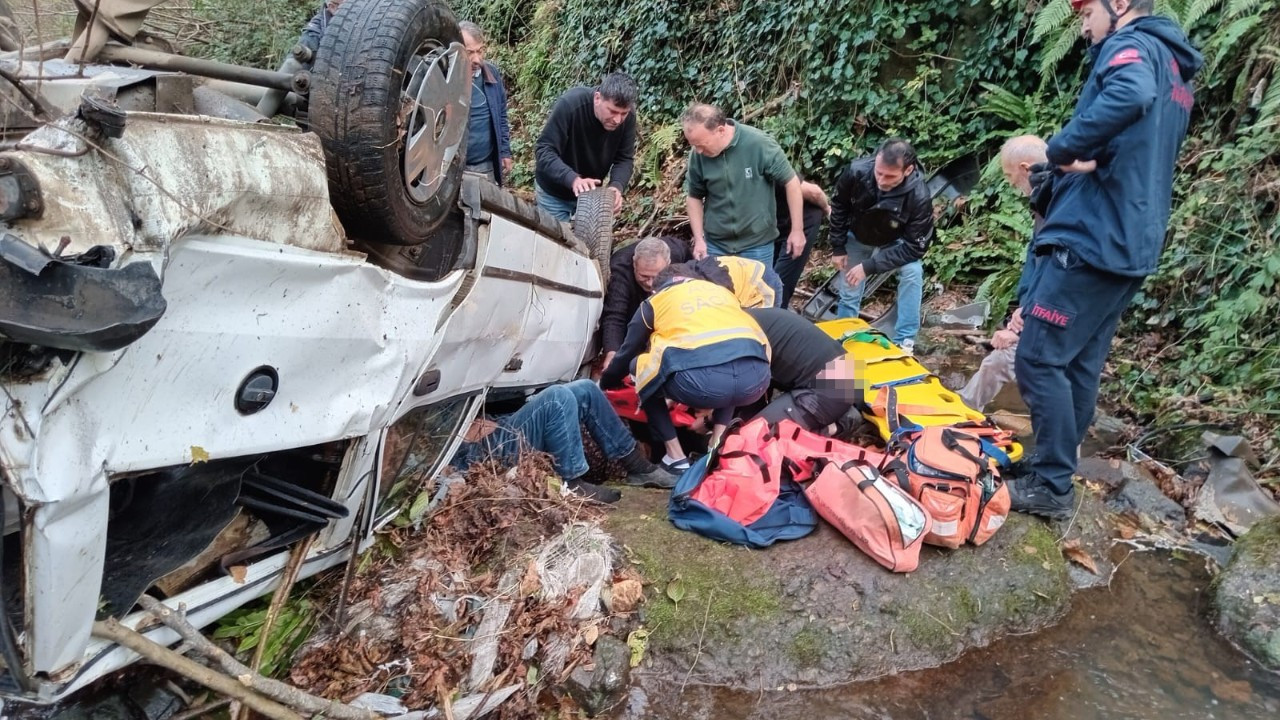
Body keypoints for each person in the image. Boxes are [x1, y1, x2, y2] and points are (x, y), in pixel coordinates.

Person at [1009, 0, 1201, 519]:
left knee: (1038, 357)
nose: (1082, 22)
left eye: (1085, 9)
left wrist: (1063, 149)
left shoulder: (1131, 46)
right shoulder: (1175, 68)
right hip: (1133, 240)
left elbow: (1129, 94)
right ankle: (1054, 465)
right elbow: (1139, 143)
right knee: (1078, 362)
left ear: (1119, 4)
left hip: (1095, 236)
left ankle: (1051, 486)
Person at [600, 272, 771, 472]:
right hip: (757, 379)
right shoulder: (721, 293)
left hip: (703, 383)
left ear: (657, 290)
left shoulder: (656, 301)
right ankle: (715, 448)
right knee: (732, 361)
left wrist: (605, 384)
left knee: (639, 365)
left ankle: (676, 456)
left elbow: (627, 352)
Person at [451, 380, 677, 504]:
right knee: (557, 398)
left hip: (493, 423)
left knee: (587, 389)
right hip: (479, 449)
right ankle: (571, 483)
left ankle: (638, 467)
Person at [957, 135, 1050, 411]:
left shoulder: (1056, 204)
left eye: (1011, 177)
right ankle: (965, 406)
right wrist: (1023, 311)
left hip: (1051, 319)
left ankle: (1058, 451)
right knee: (998, 362)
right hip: (1039, 311)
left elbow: (1058, 274)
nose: (1011, 185)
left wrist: (1025, 324)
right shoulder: (1052, 199)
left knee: (1052, 384)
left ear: (1025, 168)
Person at [828, 138, 935, 353]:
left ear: (908, 170)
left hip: (894, 242)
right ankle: (844, 336)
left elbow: (915, 247)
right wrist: (838, 246)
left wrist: (868, 267)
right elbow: (839, 205)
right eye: (879, 173)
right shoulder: (857, 171)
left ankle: (905, 340)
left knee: (913, 272)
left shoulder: (919, 196)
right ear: (875, 161)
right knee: (849, 288)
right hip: (857, 234)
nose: (882, 180)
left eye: (890, 176)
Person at [682, 103, 806, 268]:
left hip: (757, 244)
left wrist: (797, 230)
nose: (697, 151)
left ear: (720, 130)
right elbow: (694, 197)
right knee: (718, 294)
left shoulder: (758, 144)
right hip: (716, 245)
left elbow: (791, 182)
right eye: (693, 145)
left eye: (701, 144)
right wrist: (699, 239)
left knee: (757, 293)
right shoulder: (698, 155)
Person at [534, 72, 638, 221]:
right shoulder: (570, 105)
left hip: (590, 197)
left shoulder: (629, 118)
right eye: (613, 111)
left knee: (585, 244)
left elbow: (624, 159)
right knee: (555, 242)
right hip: (554, 194)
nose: (617, 120)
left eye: (623, 114)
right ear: (597, 98)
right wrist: (573, 179)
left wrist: (616, 186)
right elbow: (544, 150)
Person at [747, 308, 857, 431]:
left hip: (831, 387)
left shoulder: (739, 334)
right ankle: (841, 415)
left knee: (751, 436)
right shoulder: (746, 318)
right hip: (847, 373)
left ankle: (833, 427)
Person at [600, 235, 690, 370]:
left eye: (657, 276)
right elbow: (614, 315)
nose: (651, 283)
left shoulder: (679, 252)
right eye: (644, 276)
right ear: (634, 263)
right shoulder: (620, 268)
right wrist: (612, 352)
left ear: (669, 263)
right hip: (633, 301)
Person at [459, 21, 513, 186]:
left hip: (486, 166)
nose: (477, 59)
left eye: (480, 51)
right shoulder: (445, 79)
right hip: (455, 169)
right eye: (470, 53)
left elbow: (501, 115)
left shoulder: (492, 74)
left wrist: (504, 152)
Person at [773, 178, 831, 308]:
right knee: (766, 276)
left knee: (780, 281)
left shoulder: (770, 166)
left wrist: (827, 209)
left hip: (803, 223)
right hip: (776, 225)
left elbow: (814, 192)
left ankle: (776, 314)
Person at [667, 255, 784, 310]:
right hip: (737, 277)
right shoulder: (677, 276)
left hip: (761, 284)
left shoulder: (711, 288)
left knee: (759, 333)